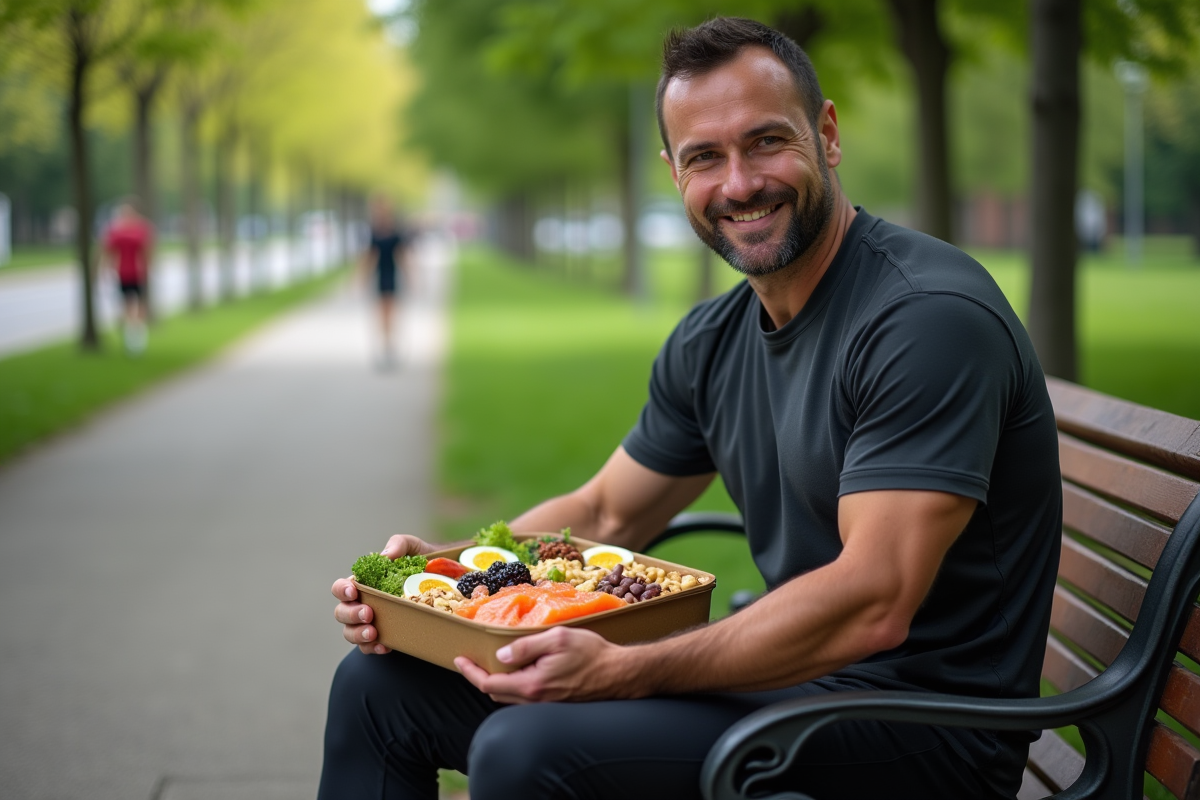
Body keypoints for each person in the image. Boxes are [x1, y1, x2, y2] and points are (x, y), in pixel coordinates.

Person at [322, 17, 1061, 800]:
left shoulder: (923, 320)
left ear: (828, 134)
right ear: (675, 173)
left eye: (767, 142)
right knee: (382, 690)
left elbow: (873, 601)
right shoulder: (713, 339)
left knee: (525, 746)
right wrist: (439, 575)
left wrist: (627, 671)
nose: (740, 184)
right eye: (706, 157)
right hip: (794, 686)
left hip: (926, 733)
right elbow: (605, 514)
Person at [361, 197, 411, 368]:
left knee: (390, 313)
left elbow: (402, 256)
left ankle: (390, 346)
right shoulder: (374, 232)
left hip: (391, 275)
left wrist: (410, 275)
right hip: (379, 276)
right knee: (380, 314)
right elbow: (370, 257)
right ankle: (384, 346)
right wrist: (363, 277)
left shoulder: (395, 232)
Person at [102, 200, 154, 354]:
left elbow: (148, 250)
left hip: (139, 272)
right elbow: (109, 251)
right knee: (127, 305)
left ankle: (138, 335)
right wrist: (105, 269)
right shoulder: (116, 231)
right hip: (122, 273)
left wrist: (149, 267)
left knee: (140, 305)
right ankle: (132, 337)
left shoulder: (142, 229)